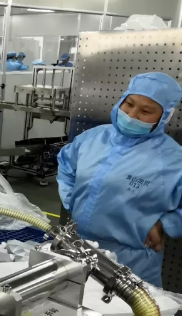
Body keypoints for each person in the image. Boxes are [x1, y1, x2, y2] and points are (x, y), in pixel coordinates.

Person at [57, 72, 182, 287]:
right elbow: (66, 166)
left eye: (145, 111)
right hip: (78, 248)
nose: (132, 115)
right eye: (129, 104)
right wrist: (72, 201)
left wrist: (166, 224)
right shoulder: (93, 138)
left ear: (164, 117)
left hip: (132, 262)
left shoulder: (173, 160)